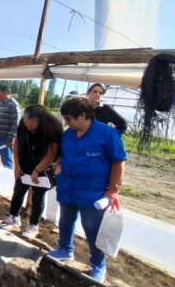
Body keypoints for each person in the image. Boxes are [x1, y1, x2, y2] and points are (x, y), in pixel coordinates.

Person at [49, 98, 127, 283]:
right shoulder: (68, 135)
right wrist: (59, 163)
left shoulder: (107, 133)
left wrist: (113, 190)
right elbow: (62, 153)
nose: (66, 122)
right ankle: (65, 249)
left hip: (92, 190)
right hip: (68, 185)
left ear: (83, 116)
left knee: (92, 227)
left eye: (69, 119)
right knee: (66, 219)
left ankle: (98, 263)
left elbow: (119, 161)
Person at [0, 105, 63, 238]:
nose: (29, 128)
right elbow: (17, 141)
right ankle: (14, 216)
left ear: (41, 121)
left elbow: (51, 153)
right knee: (18, 191)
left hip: (43, 166)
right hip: (25, 162)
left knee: (38, 197)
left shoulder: (51, 129)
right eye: (26, 125)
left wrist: (37, 170)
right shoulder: (24, 124)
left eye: (32, 125)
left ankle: (33, 224)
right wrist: (17, 164)